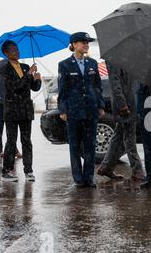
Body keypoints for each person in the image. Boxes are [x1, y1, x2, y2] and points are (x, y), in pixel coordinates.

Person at [58, 32, 105, 188]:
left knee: (90, 145)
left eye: (87, 42)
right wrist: (63, 110)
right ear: (74, 45)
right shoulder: (64, 65)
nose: (86, 45)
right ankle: (78, 178)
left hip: (91, 110)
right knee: (75, 146)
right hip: (73, 111)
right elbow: (63, 90)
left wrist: (100, 105)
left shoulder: (92, 63)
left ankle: (89, 177)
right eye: (83, 42)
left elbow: (98, 86)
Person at [0, 40, 42, 181]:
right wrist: (29, 74)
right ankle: (6, 171)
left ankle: (28, 171)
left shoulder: (24, 67)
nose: (17, 52)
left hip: (25, 110)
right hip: (12, 110)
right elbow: (14, 87)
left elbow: (33, 88)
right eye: (13, 50)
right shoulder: (4, 69)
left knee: (26, 141)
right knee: (11, 141)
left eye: (17, 49)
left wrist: (37, 80)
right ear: (6, 53)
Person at [97, 62, 145, 183]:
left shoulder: (129, 58)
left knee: (118, 136)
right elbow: (115, 83)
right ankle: (137, 171)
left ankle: (106, 167)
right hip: (125, 105)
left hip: (132, 103)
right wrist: (122, 104)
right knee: (129, 139)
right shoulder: (115, 59)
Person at [0, 59, 22, 164]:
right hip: (9, 97)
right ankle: (13, 150)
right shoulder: (12, 64)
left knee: (0, 123)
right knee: (10, 125)